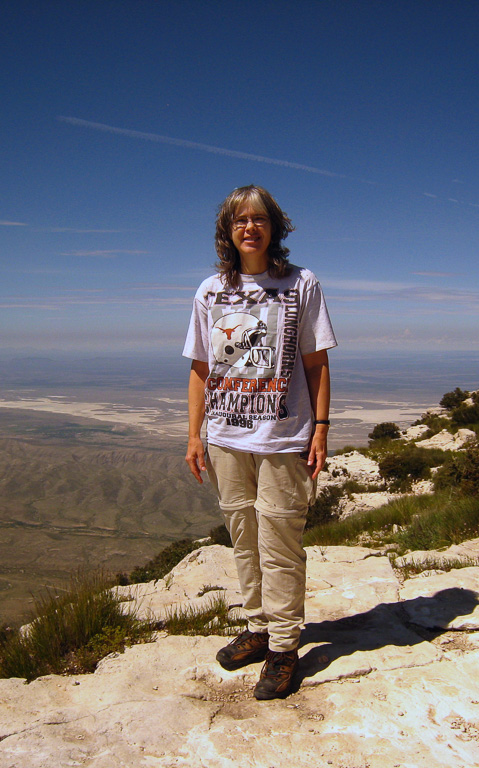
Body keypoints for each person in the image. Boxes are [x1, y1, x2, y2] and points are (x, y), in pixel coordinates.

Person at [183, 185, 337, 700]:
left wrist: (320, 428)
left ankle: (284, 647)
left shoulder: (301, 284)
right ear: (228, 231)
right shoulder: (209, 291)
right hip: (226, 436)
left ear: (275, 227)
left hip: (282, 434)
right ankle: (257, 627)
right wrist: (194, 435)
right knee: (243, 538)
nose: (250, 228)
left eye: (259, 219)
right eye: (239, 220)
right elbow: (202, 370)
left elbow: (317, 364)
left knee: (280, 543)